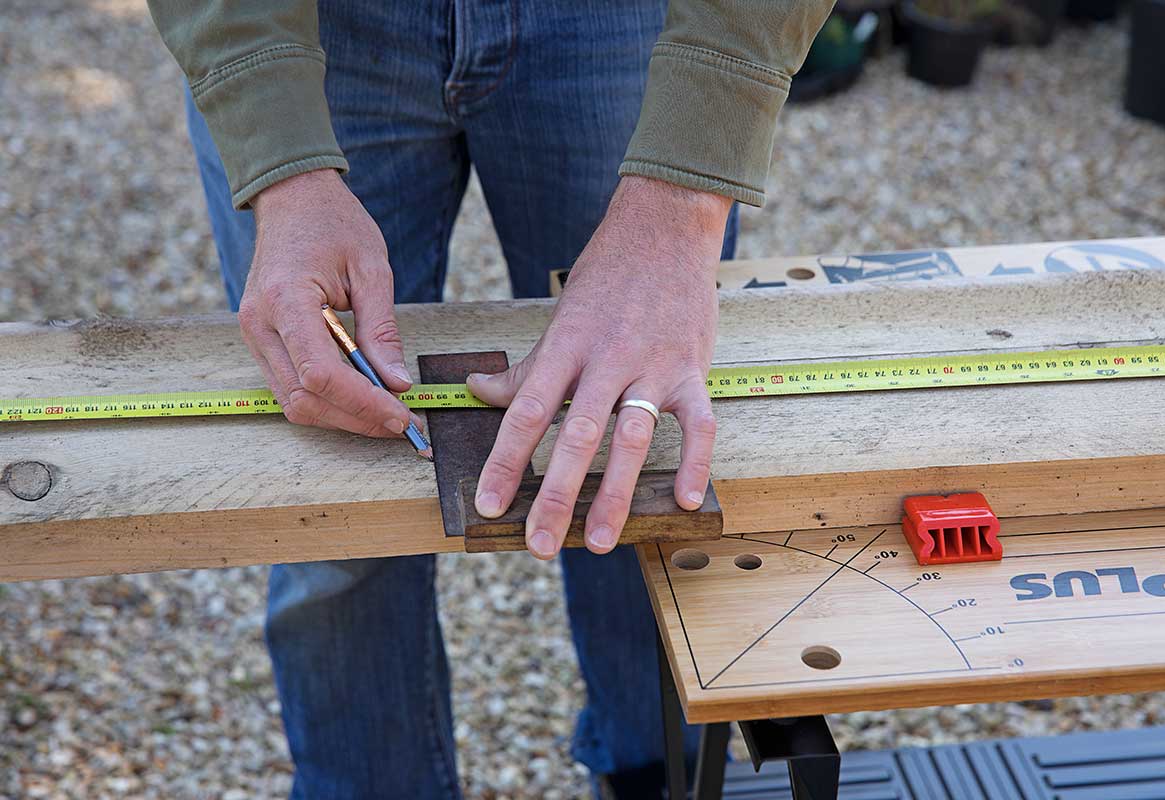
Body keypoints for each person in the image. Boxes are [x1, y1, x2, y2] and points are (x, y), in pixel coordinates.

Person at [148, 1, 833, 796]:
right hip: (313, 25)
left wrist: (683, 198)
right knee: (334, 511)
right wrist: (280, 156)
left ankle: (660, 775)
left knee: (634, 461)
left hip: (628, 23)